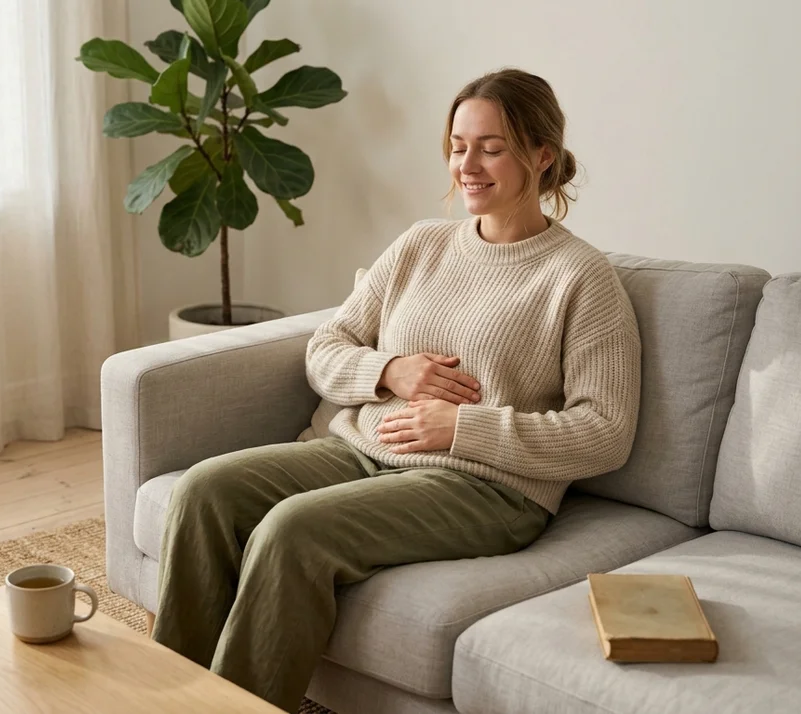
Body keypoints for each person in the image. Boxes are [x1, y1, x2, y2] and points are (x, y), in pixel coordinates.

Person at [151, 68, 642, 712]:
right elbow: (325, 349)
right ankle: (163, 697)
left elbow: (606, 433)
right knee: (203, 492)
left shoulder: (580, 277)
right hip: (362, 451)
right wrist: (389, 371)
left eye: (491, 147)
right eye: (458, 144)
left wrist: (464, 427)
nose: (467, 164)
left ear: (542, 155)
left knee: (293, 531)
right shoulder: (421, 244)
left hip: (484, 488)